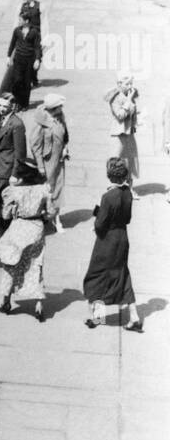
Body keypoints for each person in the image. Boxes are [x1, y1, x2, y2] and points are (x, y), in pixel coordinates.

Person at [84, 157, 142, 331]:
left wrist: (99, 218)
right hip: (122, 237)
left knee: (97, 275)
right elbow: (128, 219)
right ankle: (134, 316)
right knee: (123, 275)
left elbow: (100, 224)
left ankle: (98, 317)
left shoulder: (108, 196)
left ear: (109, 176)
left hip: (107, 240)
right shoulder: (128, 193)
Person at [0, 180, 53, 321]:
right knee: (35, 265)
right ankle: (38, 304)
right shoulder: (44, 188)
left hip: (19, 227)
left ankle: (6, 301)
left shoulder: (13, 190)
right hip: (36, 229)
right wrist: (42, 213)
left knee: (11, 263)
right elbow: (50, 213)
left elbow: (5, 215)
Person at [0, 91, 29, 240]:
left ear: (12, 106)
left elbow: (20, 153)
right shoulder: (3, 120)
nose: (1, 108)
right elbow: (1, 146)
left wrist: (14, 174)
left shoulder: (17, 124)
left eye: (4, 106)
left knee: (3, 202)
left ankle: (1, 233)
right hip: (2, 166)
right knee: (2, 201)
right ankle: (1, 231)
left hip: (9, 170)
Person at [30, 92, 69, 230]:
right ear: (53, 108)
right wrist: (40, 166)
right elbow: (35, 146)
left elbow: (65, 135)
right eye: (60, 106)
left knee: (59, 188)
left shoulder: (60, 117)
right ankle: (45, 215)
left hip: (59, 160)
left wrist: (65, 148)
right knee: (47, 190)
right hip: (47, 163)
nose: (62, 108)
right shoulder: (41, 123)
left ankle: (56, 218)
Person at [105, 72, 140, 189]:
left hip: (129, 133)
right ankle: (113, 187)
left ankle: (129, 188)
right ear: (119, 84)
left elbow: (132, 112)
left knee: (130, 160)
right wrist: (128, 101)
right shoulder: (114, 98)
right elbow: (120, 115)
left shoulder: (129, 95)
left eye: (131, 83)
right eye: (127, 84)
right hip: (118, 133)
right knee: (116, 160)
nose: (130, 87)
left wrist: (135, 121)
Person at [4, 13, 42, 110]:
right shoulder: (17, 31)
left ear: (26, 21)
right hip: (18, 59)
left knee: (26, 82)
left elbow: (37, 47)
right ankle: (16, 101)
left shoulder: (34, 32)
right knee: (17, 81)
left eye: (20, 20)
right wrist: (8, 56)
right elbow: (12, 44)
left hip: (29, 60)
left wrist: (37, 59)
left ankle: (24, 104)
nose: (19, 21)